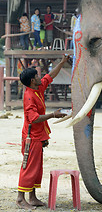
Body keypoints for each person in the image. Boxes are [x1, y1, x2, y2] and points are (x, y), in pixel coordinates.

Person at [16, 55, 69, 210]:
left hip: (38, 136)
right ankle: (20, 198)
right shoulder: (29, 97)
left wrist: (62, 62)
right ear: (33, 80)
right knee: (29, 167)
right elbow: (34, 119)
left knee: (37, 167)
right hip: (31, 137)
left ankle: (32, 198)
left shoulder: (37, 88)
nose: (40, 77)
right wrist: (53, 115)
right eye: (37, 75)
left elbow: (50, 76)